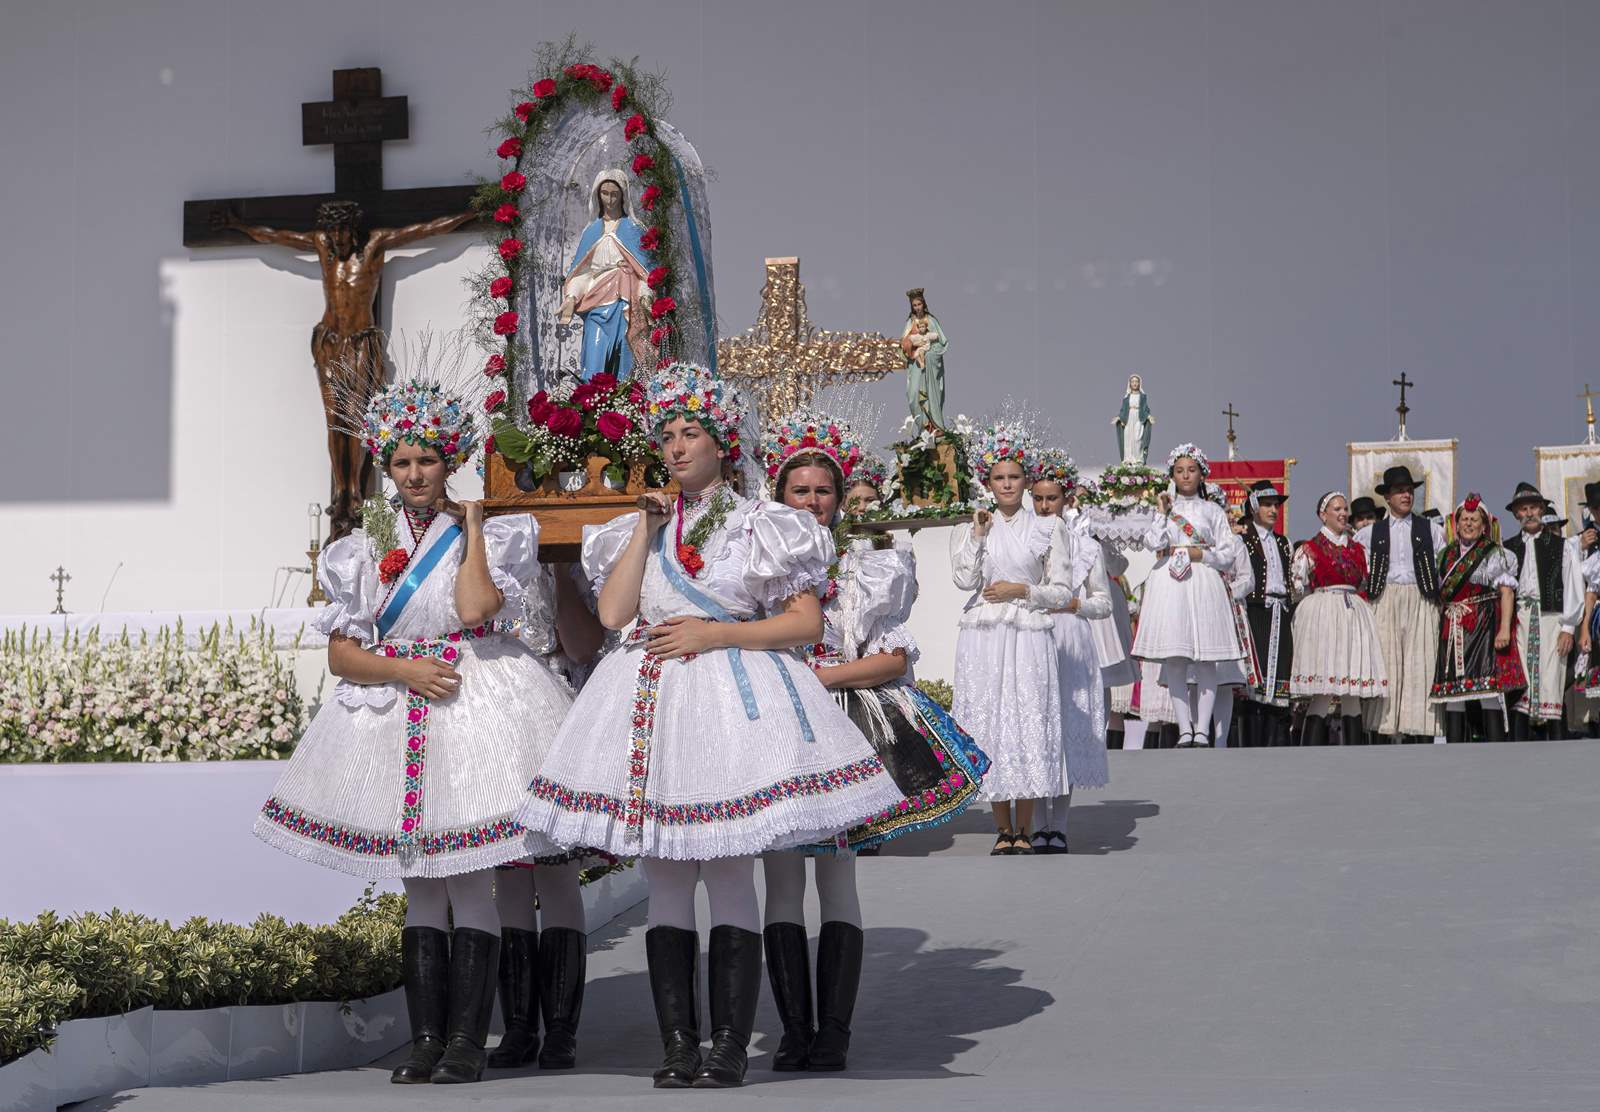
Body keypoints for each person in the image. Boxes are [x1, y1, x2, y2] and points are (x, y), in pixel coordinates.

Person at [516, 364, 901, 1089]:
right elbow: (612, 616)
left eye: (690, 432)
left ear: (723, 444)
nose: (676, 445)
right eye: (667, 433)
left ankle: (728, 1042)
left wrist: (713, 636)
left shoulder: (766, 525)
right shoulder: (639, 526)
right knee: (665, 874)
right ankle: (677, 1043)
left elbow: (804, 622)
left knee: (727, 870)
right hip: (651, 702)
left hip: (729, 691)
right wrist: (647, 529)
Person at [253, 357, 576, 1085]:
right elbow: (343, 654)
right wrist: (402, 670)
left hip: (471, 701)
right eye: (401, 461)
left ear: (448, 460)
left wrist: (471, 531)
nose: (415, 473)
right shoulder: (361, 545)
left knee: (468, 877)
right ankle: (425, 1038)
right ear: (385, 465)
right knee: (419, 884)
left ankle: (468, 1039)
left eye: (427, 458)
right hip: (399, 706)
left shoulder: (487, 531)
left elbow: (474, 612)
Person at [759, 410, 988, 1069]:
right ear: (779, 498)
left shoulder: (871, 572)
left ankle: (833, 1031)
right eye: (798, 491)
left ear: (840, 499)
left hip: (843, 733)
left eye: (821, 491)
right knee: (778, 882)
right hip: (776, 734)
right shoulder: (758, 579)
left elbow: (891, 661)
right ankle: (792, 1030)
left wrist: (818, 675)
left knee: (836, 879)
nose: (811, 501)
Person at [951, 419, 1086, 854]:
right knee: (991, 722)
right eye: (999, 478)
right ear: (987, 482)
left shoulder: (1049, 528)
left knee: (1027, 720)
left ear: (1026, 481)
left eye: (1014, 477)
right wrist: (976, 535)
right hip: (984, 634)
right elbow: (963, 578)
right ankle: (1001, 829)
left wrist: (1022, 589)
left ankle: (1025, 830)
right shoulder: (976, 525)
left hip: (1028, 630)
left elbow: (1062, 590)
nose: (1007, 485)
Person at [1130, 444, 1245, 747]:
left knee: (1206, 659)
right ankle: (1184, 729)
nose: (1185, 475)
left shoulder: (1213, 511)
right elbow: (1152, 542)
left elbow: (1227, 552)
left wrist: (1200, 555)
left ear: (1201, 474)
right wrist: (1160, 513)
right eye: (1179, 470)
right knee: (1176, 658)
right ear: (1172, 474)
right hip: (1170, 582)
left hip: (1203, 580)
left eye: (1191, 470)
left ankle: (1203, 730)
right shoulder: (1166, 508)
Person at [1029, 451, 1112, 851]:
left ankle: (1058, 822)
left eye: (1052, 499)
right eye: (1039, 499)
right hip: (1030, 636)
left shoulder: (1086, 548)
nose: (1045, 506)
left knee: (1065, 728)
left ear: (1067, 500)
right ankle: (1032, 819)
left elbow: (1103, 603)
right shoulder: (1023, 539)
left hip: (1070, 640)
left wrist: (1073, 604)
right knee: (1037, 725)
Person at [1353, 466, 1446, 743]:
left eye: (1409, 490)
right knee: (1386, 664)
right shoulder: (1370, 534)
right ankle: (1383, 730)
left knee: (1422, 663)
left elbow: (1443, 567)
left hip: (1421, 597)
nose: (1406, 495)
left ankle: (1421, 730)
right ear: (1387, 497)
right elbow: (1359, 570)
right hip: (1385, 598)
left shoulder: (1431, 529)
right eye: (1399, 491)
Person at [1289, 493, 1387, 746]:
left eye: (1345, 509)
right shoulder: (1310, 548)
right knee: (1323, 689)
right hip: (1323, 615)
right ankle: (1310, 754)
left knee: (1351, 689)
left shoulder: (1358, 549)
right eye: (1337, 509)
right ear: (1324, 514)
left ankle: (1355, 755)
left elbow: (1365, 582)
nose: (1343, 513)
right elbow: (1298, 587)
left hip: (1352, 614)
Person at [1429, 495, 1524, 742]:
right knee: (1453, 692)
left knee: (1487, 689)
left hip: (1483, 626)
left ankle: (1494, 750)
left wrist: (1504, 629)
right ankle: (1454, 752)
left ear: (1484, 525)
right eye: (1464, 519)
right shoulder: (1445, 556)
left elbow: (1506, 592)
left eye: (1475, 519)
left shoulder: (1495, 554)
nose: (1469, 524)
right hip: (1452, 626)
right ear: (1456, 524)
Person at [557, 169, 656, 381]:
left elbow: (646, 273)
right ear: (597, 195)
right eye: (605, 193)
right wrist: (571, 298)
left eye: (614, 194)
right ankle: (592, 403)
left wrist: (646, 296)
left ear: (623, 196)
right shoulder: (591, 232)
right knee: (594, 359)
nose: (610, 200)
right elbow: (582, 274)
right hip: (597, 304)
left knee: (624, 359)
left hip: (626, 304)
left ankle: (622, 403)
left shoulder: (633, 229)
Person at [1502, 483, 1581, 740]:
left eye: (1533, 507)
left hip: (1552, 620)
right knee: (1519, 687)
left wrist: (1568, 627)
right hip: (1520, 620)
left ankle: (1556, 750)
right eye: (1523, 509)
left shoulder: (1562, 546)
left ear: (1542, 509)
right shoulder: (1508, 547)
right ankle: (1517, 751)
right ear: (1516, 514)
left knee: (1552, 684)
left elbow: (1573, 587)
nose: (1529, 513)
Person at [1238, 481, 1294, 746]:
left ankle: (1277, 741)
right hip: (1255, 610)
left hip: (1280, 611)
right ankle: (1251, 742)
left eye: (1276, 505)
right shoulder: (1243, 541)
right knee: (1255, 673)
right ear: (1254, 507)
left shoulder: (1284, 543)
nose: (1274, 510)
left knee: (1280, 673)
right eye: (1268, 505)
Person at [1113, 374, 1154, 464]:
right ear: (1130, 384)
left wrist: (1148, 416)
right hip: (1128, 418)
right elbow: (1123, 409)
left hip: (1138, 417)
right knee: (1128, 438)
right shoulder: (1127, 397)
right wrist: (1119, 417)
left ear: (1139, 383)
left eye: (1136, 381)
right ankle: (1128, 459)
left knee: (1137, 438)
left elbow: (1145, 409)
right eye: (1133, 381)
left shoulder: (1143, 396)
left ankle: (1138, 459)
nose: (1135, 383)